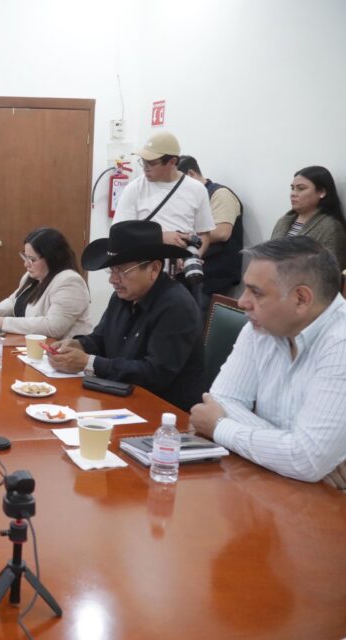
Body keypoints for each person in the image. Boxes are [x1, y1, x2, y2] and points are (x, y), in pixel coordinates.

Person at [190, 237, 346, 488]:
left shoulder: (340, 343)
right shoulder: (261, 327)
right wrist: (298, 451)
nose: (242, 302)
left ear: (301, 299)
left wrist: (219, 426)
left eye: (256, 292)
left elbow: (306, 460)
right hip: (277, 483)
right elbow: (221, 400)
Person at [48, 220, 204, 411]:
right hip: (119, 399)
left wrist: (88, 363)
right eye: (112, 270)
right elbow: (101, 339)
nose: (113, 279)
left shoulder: (176, 306)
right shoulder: (122, 296)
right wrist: (77, 345)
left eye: (122, 270)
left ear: (154, 269)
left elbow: (154, 374)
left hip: (162, 411)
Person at [0, 227, 92, 338]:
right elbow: (14, 301)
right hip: (32, 344)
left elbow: (54, 327)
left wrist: (3, 322)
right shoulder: (31, 276)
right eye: (25, 257)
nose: (26, 264)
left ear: (52, 258)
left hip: (63, 347)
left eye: (32, 259)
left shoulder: (70, 282)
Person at [113, 132, 215, 254]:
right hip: (144, 262)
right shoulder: (134, 188)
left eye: (152, 163)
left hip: (181, 262)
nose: (145, 167)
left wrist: (194, 257)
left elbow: (204, 234)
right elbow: (119, 233)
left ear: (172, 162)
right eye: (144, 161)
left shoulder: (197, 189)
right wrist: (159, 237)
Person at [177, 155, 244, 309]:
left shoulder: (219, 194)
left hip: (213, 276)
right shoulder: (189, 197)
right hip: (190, 272)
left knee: (198, 318)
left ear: (191, 174)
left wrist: (183, 236)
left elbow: (222, 232)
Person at [270, 166, 346, 270]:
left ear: (322, 192)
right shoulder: (283, 221)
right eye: (292, 188)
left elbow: (332, 271)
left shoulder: (331, 227)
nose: (293, 194)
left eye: (301, 188)